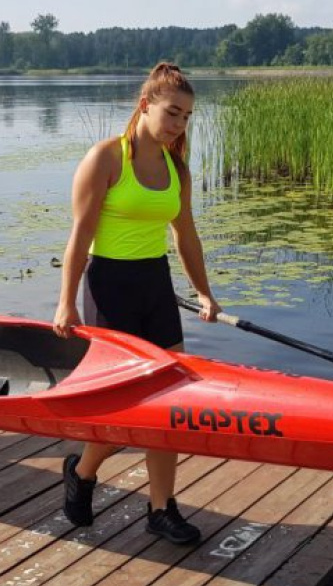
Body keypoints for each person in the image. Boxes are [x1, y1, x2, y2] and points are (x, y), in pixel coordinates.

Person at [52, 63, 221, 545]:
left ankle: (161, 508)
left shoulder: (177, 169)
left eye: (187, 117)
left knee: (168, 405)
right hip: (109, 288)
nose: (178, 125)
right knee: (124, 413)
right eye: (172, 112)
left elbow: (186, 236)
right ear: (145, 105)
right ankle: (83, 471)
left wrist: (204, 291)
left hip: (155, 288)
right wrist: (66, 303)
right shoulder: (105, 158)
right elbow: (79, 237)